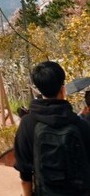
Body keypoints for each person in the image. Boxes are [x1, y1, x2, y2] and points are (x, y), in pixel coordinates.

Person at [14, 60, 90, 196]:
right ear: (63, 89)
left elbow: (25, 175)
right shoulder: (80, 124)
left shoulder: (27, 124)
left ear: (38, 88)